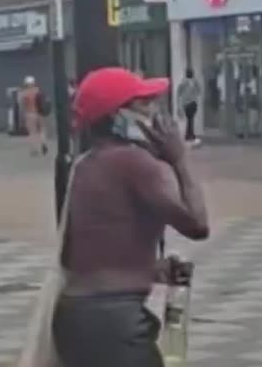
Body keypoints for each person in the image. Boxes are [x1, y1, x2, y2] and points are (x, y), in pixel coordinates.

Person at [53, 67, 209, 367]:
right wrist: (180, 158)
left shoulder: (84, 165)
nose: (156, 114)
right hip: (116, 323)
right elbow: (197, 224)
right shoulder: (134, 161)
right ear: (118, 117)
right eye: (144, 104)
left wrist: (150, 268)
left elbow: (86, 253)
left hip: (75, 316)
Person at [18, 76, 48, 156]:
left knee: (32, 133)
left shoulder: (24, 93)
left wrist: (22, 117)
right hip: (40, 113)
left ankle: (34, 150)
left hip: (30, 114)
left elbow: (21, 106)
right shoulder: (38, 91)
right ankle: (43, 143)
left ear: (26, 83)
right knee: (42, 130)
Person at [176, 69, 202, 146]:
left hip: (186, 103)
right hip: (193, 103)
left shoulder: (183, 82)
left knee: (189, 119)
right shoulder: (194, 82)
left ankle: (189, 135)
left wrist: (179, 104)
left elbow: (179, 93)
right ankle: (190, 135)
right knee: (191, 119)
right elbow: (199, 91)